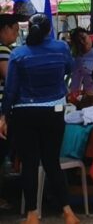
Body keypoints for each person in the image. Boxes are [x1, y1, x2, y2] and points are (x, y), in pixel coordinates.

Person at [0, 14, 80, 224]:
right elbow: (69, 68)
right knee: (52, 162)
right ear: (49, 30)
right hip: (54, 111)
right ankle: (68, 212)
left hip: (24, 113)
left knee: (29, 164)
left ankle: (32, 215)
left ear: (29, 29)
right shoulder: (61, 48)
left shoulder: (18, 54)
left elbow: (11, 89)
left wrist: (4, 115)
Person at [0, 14, 20, 210]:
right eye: (15, 30)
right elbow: (10, 79)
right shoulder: (3, 51)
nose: (17, 34)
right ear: (5, 29)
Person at [69, 27, 93, 95]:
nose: (82, 42)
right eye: (78, 42)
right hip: (91, 96)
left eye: (83, 38)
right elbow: (75, 83)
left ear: (89, 36)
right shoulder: (78, 61)